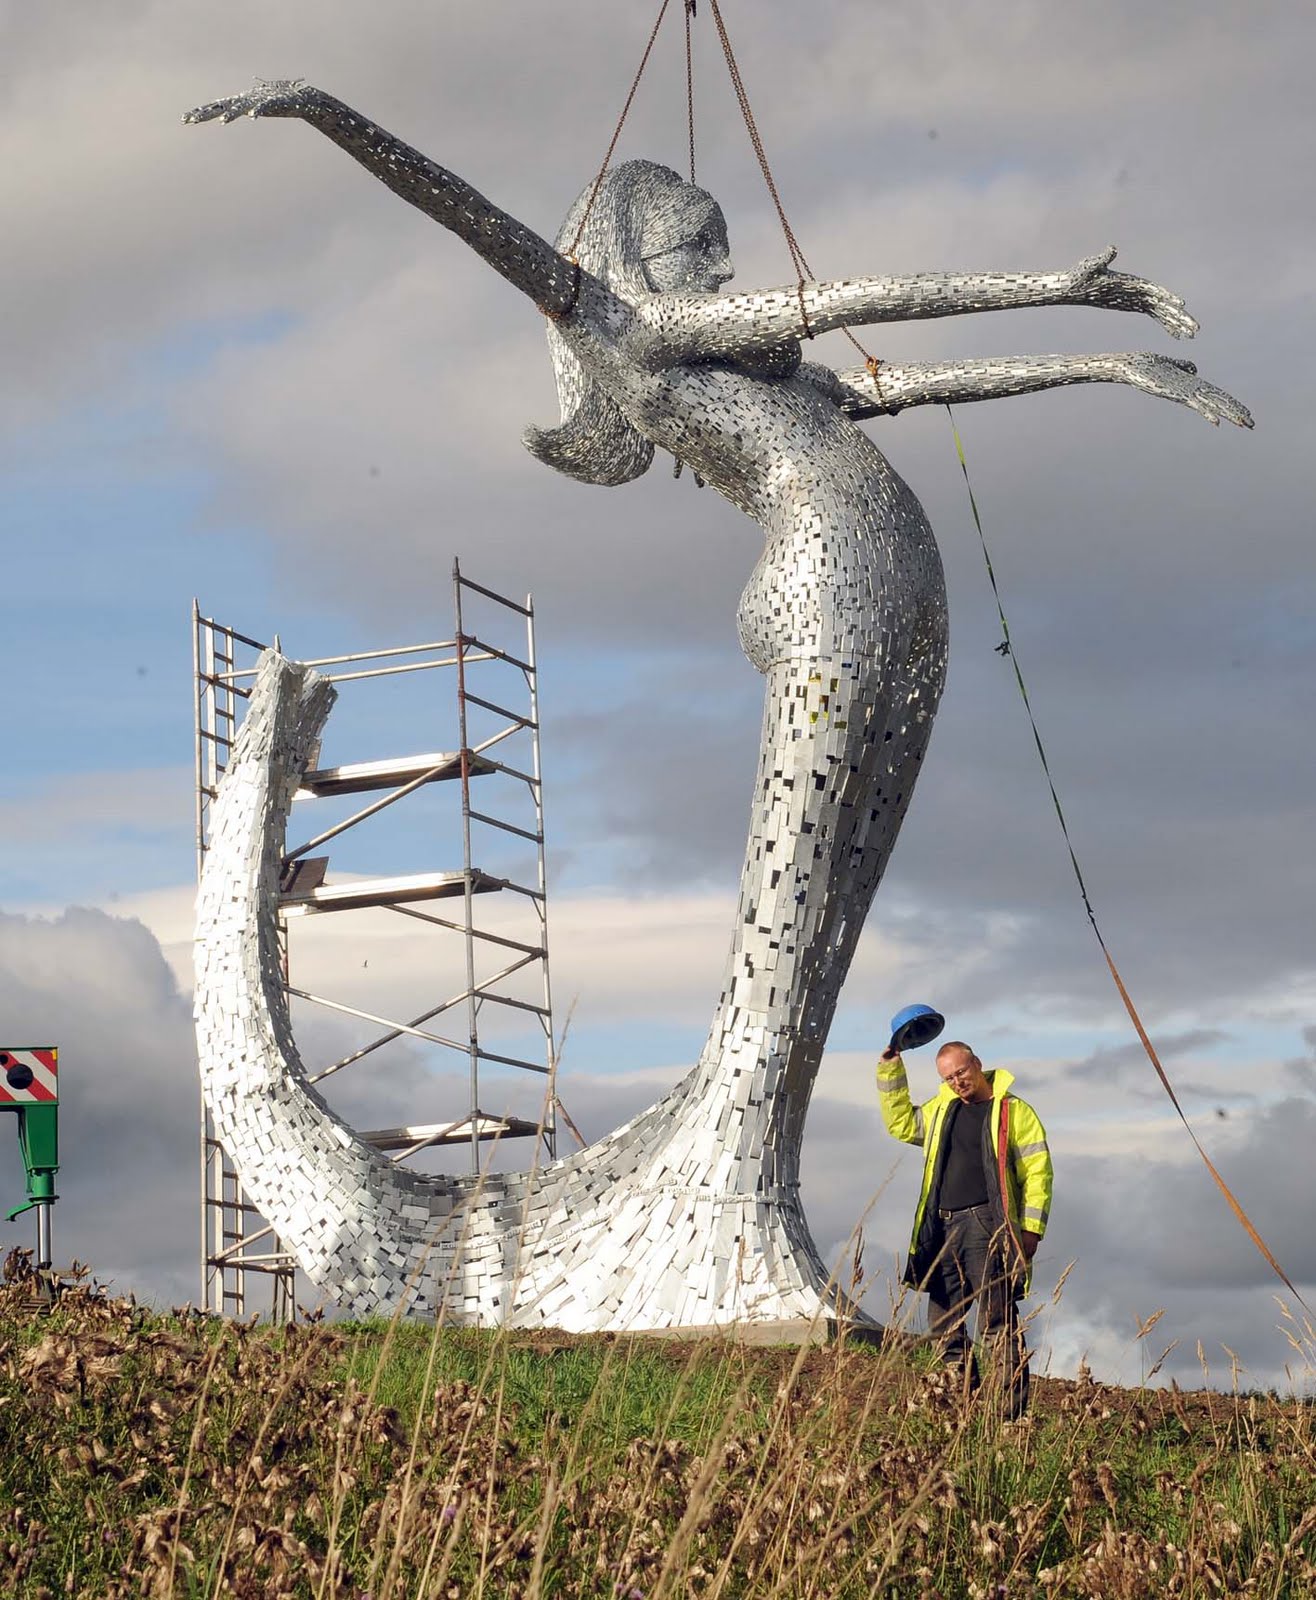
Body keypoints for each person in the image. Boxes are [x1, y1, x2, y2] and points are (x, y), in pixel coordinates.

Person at [186, 81, 1237, 1322]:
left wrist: (1105, 360)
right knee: (780, 944)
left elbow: (909, 376)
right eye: (703, 242)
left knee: (813, 944)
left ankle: (741, 1196)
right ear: (641, 246)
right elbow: (489, 217)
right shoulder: (631, 328)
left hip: (897, 607)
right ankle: (728, 1225)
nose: (726, 264)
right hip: (825, 600)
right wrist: (326, 108)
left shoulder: (777, 381)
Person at [878, 1039, 1052, 1419]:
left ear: (977, 1064)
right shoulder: (943, 1110)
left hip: (988, 1225)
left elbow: (1037, 1172)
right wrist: (890, 1067)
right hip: (942, 1227)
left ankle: (1009, 1419)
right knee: (942, 1323)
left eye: (961, 1072)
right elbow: (902, 1123)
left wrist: (1032, 1231)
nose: (957, 1081)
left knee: (996, 1320)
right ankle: (961, 1406)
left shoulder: (1013, 1111)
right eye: (948, 1077)